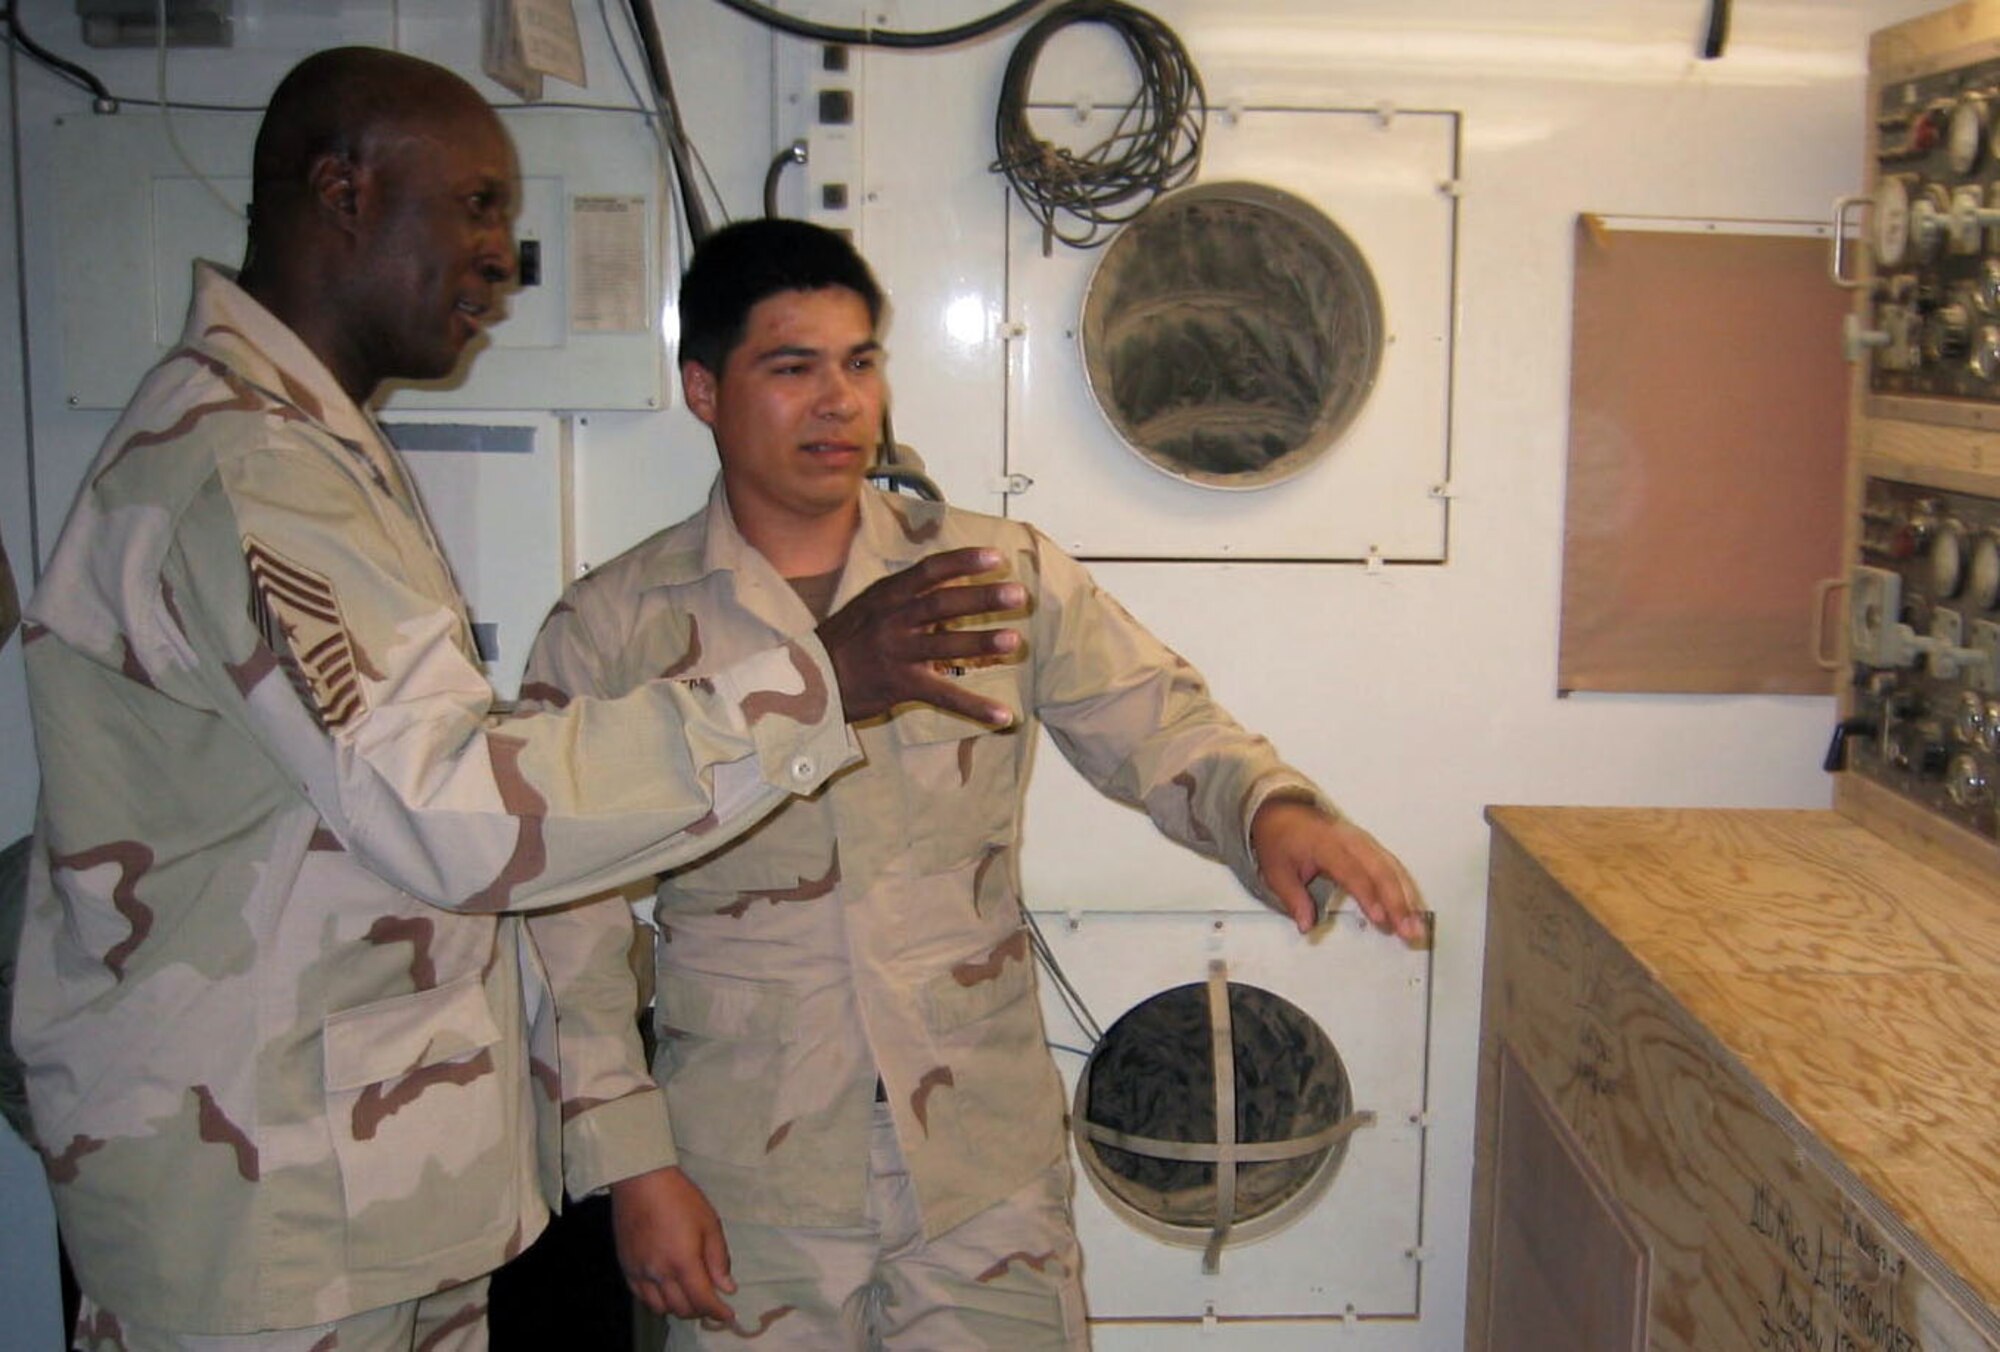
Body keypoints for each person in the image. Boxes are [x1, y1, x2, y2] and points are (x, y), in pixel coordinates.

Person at [14, 49, 1026, 1352]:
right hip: (269, 1215)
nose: (504, 255)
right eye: (478, 205)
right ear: (343, 193)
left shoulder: (308, 447)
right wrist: (815, 685)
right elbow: (451, 808)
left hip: (344, 1192)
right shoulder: (253, 466)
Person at [520, 217, 1426, 1350]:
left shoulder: (989, 574)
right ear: (703, 389)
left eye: (860, 362)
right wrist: (631, 1162)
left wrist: (1269, 811)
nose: (841, 401)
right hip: (746, 1175)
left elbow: (1154, 720)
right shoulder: (612, 629)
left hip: (979, 1166)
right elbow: (565, 917)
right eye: (792, 367)